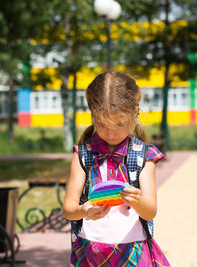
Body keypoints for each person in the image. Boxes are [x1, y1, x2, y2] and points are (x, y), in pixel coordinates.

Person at [63, 71, 170, 266]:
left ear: (135, 112)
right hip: (91, 249)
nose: (111, 133)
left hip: (133, 249)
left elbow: (150, 211)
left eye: (120, 124)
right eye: (103, 124)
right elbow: (69, 209)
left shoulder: (143, 156)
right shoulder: (82, 155)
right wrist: (83, 210)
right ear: (93, 115)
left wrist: (137, 201)